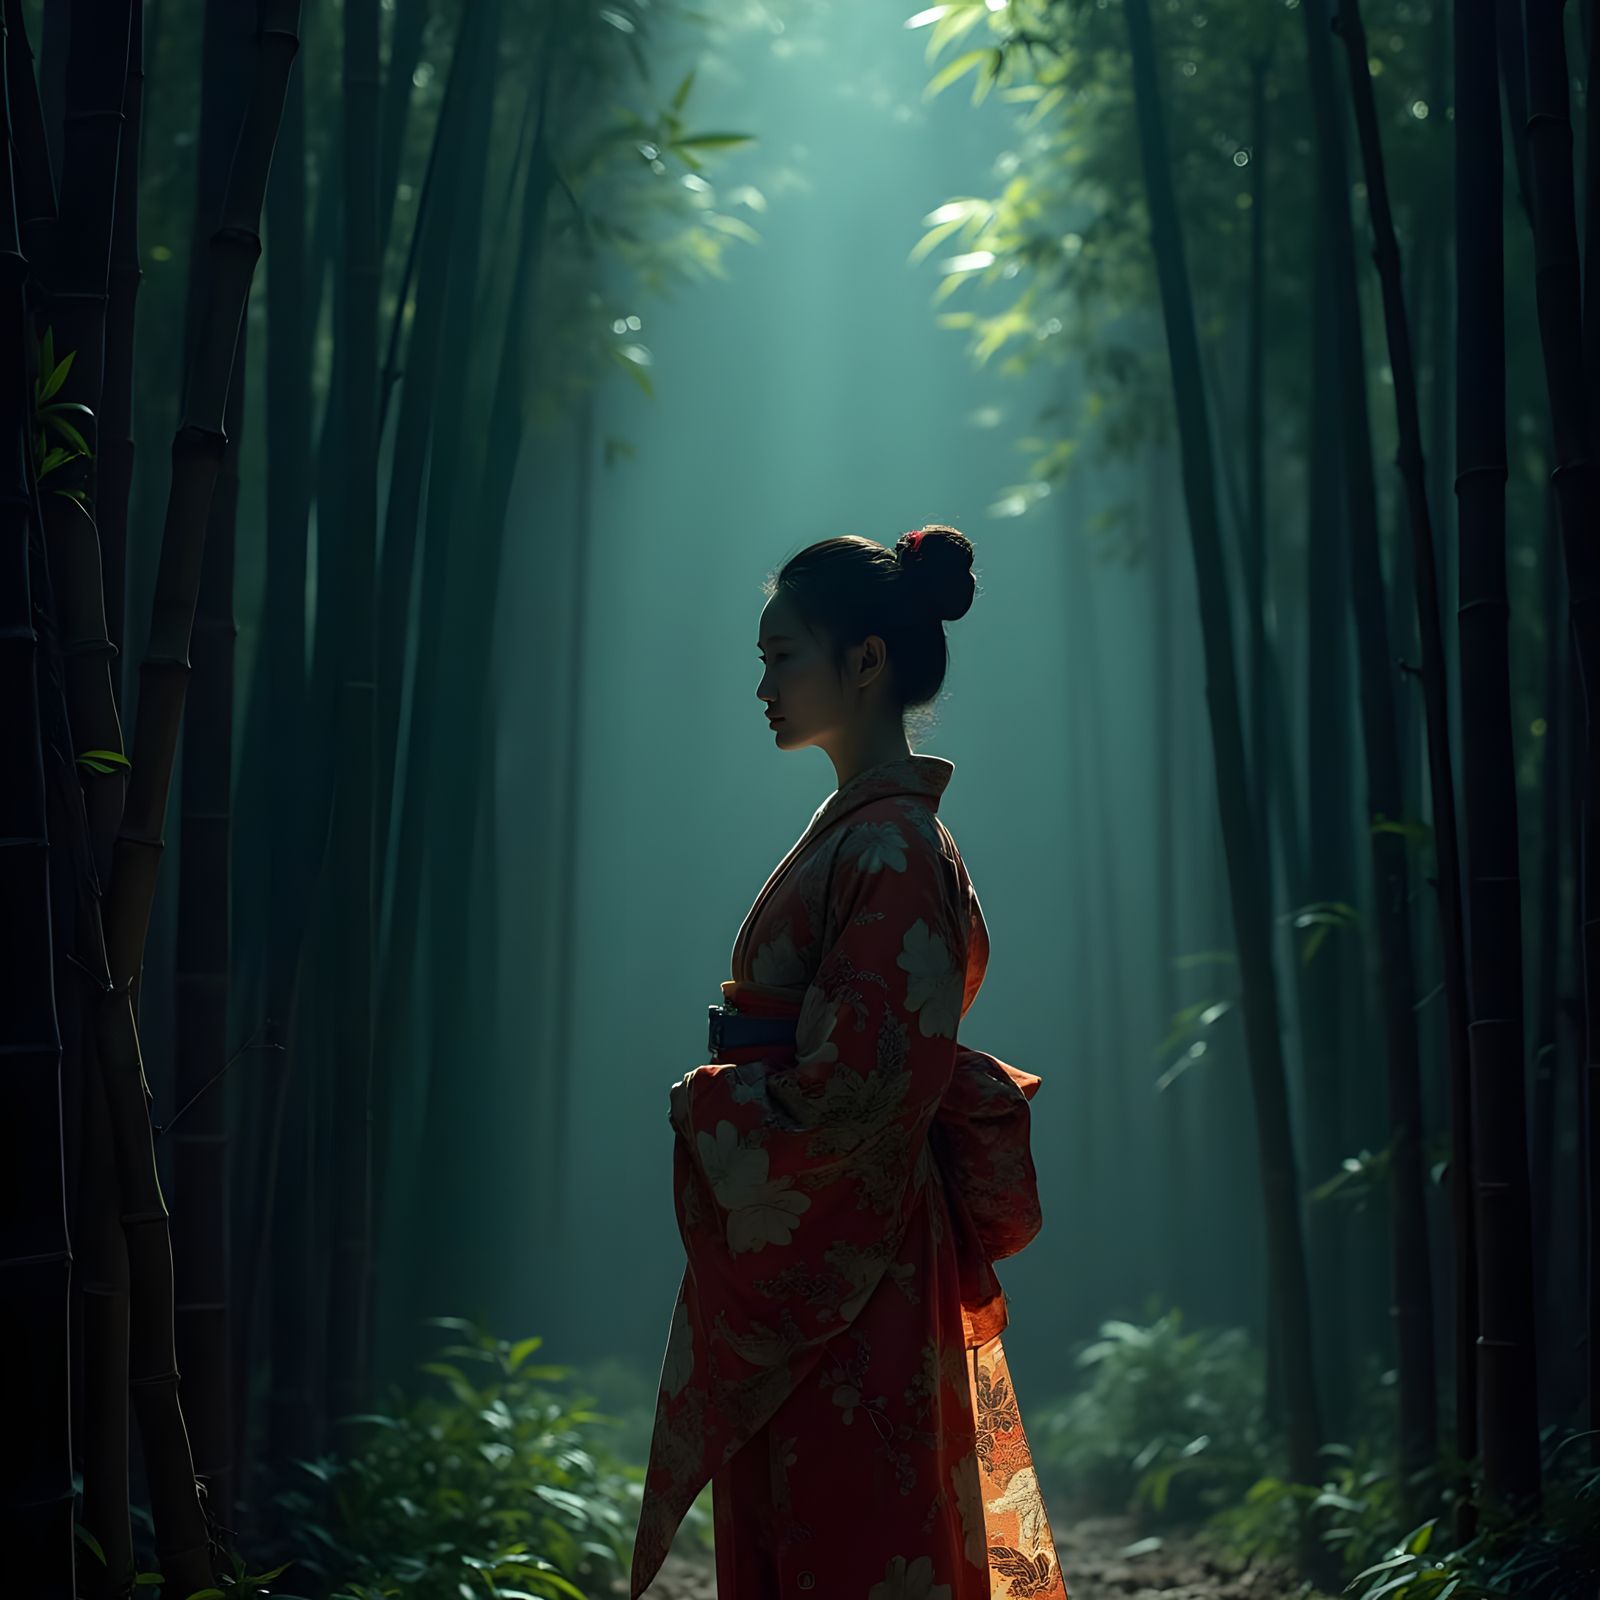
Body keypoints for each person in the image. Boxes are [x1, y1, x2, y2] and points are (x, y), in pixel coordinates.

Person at [630, 526, 1068, 1599]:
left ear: (864, 661)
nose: (763, 684)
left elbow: (867, 1086)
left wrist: (723, 1108)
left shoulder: (892, 847)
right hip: (845, 1238)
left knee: (854, 1529)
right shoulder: (869, 836)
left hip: (858, 1254)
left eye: (783, 655)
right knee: (812, 1520)